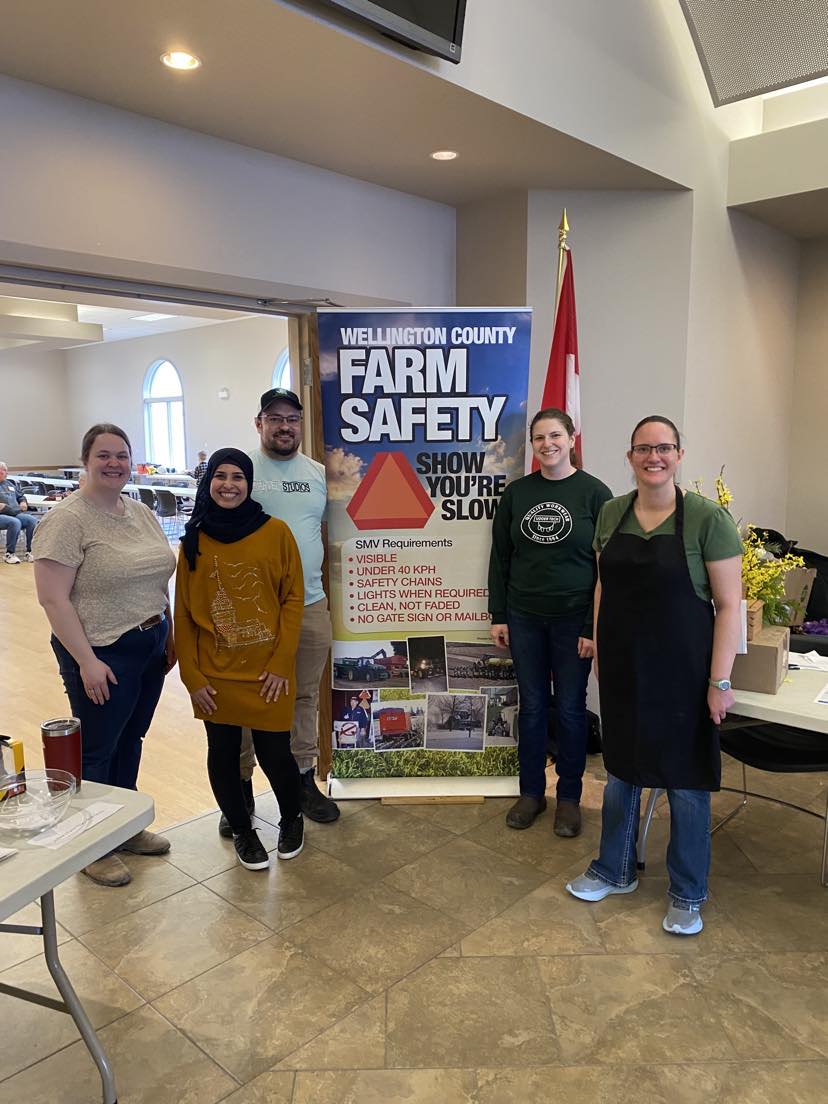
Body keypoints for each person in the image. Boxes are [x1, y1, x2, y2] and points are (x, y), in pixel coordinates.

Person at [566, 415, 742, 936]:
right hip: (625, 667)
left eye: (663, 448)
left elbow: (730, 606)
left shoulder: (708, 519)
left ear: (678, 455)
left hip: (686, 671)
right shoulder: (612, 513)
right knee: (621, 771)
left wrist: (720, 681)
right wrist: (600, 647)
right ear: (630, 457)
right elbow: (603, 586)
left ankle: (687, 892)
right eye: (643, 449)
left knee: (686, 781)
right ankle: (613, 869)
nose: (653, 457)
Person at [33, 424, 177, 887]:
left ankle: (124, 825)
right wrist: (86, 661)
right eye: (104, 455)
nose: (114, 463)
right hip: (101, 650)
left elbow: (158, 577)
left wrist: (169, 630)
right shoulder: (67, 520)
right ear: (86, 461)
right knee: (98, 749)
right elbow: (52, 598)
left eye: (122, 455)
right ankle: (92, 845)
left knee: (132, 738)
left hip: (150, 642)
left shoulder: (139, 511)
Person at [211, 386, 338, 837]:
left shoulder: (318, 473)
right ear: (259, 423)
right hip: (253, 612)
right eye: (275, 418)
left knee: (304, 696)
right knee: (247, 701)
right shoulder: (242, 471)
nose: (285, 426)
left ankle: (303, 779)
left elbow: (322, 532)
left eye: (292, 419)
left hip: (310, 604)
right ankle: (241, 789)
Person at [174, 448, 306, 869]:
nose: (228, 484)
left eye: (238, 477)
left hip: (269, 673)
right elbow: (183, 614)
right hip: (215, 675)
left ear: (249, 484)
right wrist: (192, 677)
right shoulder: (193, 540)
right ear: (208, 482)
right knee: (223, 754)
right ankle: (243, 831)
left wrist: (282, 663)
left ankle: (292, 819)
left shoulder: (276, 532)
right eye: (220, 476)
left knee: (275, 755)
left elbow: (293, 599)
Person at [488, 408, 612, 837]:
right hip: (523, 617)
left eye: (555, 435)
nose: (547, 444)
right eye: (539, 438)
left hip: (574, 621)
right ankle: (531, 793)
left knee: (572, 710)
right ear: (533, 445)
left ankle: (570, 798)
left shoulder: (595, 493)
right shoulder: (517, 494)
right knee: (533, 707)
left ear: (571, 439)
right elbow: (501, 557)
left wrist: (591, 627)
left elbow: (606, 569)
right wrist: (499, 615)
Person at [0, 461, 39, 563]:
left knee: (32, 521)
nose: (6, 473)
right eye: (4, 470)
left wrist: (23, 501)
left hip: (15, 513)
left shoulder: (9, 484)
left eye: (6, 470)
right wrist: (13, 510)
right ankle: (9, 553)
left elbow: (20, 495)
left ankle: (30, 551)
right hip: (3, 515)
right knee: (15, 522)